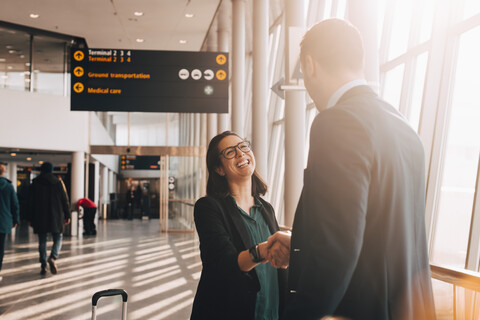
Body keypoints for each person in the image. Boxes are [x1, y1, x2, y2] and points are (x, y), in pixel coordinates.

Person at [268, 18, 436, 319]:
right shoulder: (402, 127)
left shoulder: (338, 122)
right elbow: (380, 228)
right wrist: (300, 243)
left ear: (310, 64)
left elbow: (337, 248)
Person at [191, 131, 289, 320]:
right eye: (230, 152)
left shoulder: (266, 208)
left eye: (243, 146)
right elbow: (223, 264)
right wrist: (265, 250)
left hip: (272, 311)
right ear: (219, 169)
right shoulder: (208, 208)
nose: (240, 153)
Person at [27, 162, 70, 276]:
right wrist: (67, 215)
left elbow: (30, 202)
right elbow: (64, 200)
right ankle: (53, 257)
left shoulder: (35, 183)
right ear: (51, 170)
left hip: (40, 216)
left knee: (42, 241)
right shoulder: (58, 182)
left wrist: (30, 217)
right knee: (58, 237)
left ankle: (43, 264)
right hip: (56, 216)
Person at [0, 164, 19, 282]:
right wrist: (16, 219)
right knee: (0, 248)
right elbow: (15, 205)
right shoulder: (9, 186)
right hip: (3, 221)